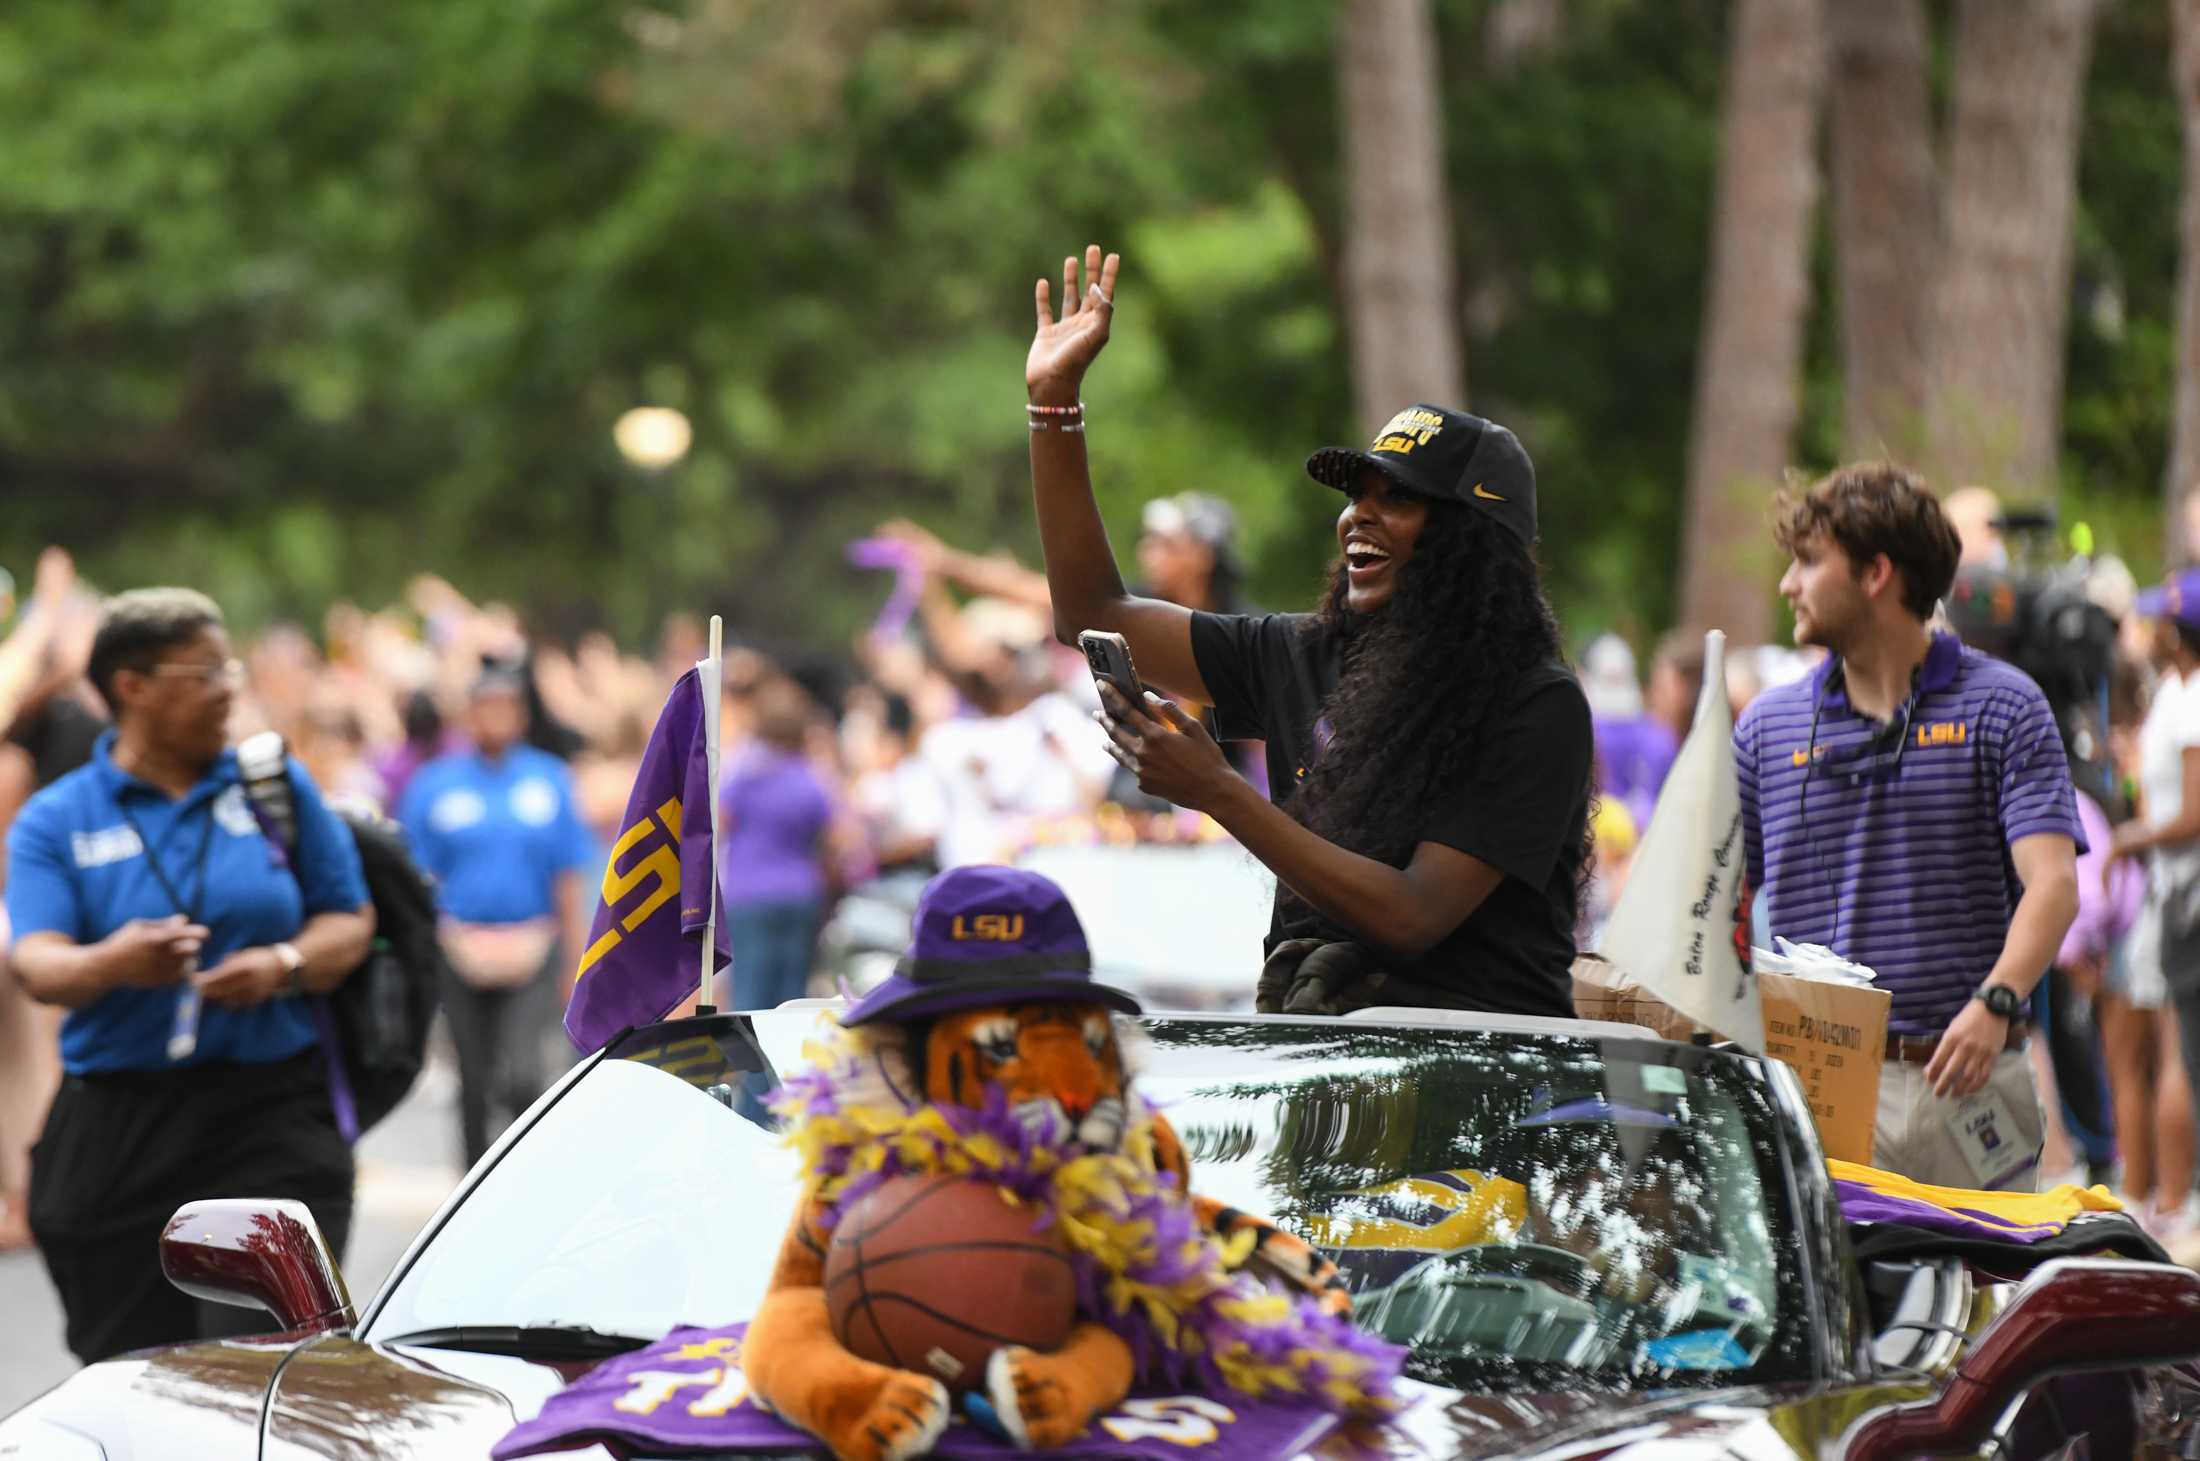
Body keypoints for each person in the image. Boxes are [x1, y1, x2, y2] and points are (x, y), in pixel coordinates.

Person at [1025, 245, 1591, 1019]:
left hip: (1478, 1086)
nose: (1357, 513)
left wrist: (1219, 792)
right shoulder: (1301, 653)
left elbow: (1413, 914)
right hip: (1320, 1073)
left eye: (1396, 498)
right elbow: (1090, 613)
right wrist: (1054, 406)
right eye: (1357, 493)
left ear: (1471, 540)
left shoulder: (1537, 705)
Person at [4, 588, 374, 1362]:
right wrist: (112, 963)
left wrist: (283, 964)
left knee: (266, 1366)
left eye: (229, 667)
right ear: (132, 685)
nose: (228, 688)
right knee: (132, 1369)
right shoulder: (58, 817)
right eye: (203, 671)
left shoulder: (270, 785)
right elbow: (37, 961)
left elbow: (349, 919)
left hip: (268, 1111)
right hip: (120, 1123)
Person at [1734, 465, 2082, 1191]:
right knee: (1836, 1307)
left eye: (1806, 562)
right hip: (1820, 1090)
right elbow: (1722, 903)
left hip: (1970, 1081)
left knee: (1986, 1308)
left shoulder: (2005, 705)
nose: (1787, 586)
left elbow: (2053, 884)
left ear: (1876, 573)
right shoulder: (1766, 728)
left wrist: (1997, 1002)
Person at [398, 667, 596, 1166]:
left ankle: (520, 1172)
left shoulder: (548, 780)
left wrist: (576, 957)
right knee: (473, 1078)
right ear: (469, 715)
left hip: (532, 945)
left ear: (522, 716)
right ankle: (470, 1183)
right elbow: (415, 872)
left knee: (525, 1072)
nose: (495, 720)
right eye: (486, 709)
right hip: (461, 947)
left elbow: (568, 875)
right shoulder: (436, 785)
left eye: (506, 709)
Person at [2106, 569, 2200, 1228]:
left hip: (2186, 892)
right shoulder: (2175, 690)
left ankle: (2171, 1201)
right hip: (2170, 890)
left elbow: (2195, 812)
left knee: (2177, 1045)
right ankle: (2158, 1196)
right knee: (2160, 1041)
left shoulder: (2193, 700)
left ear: (2176, 631)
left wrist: (2127, 836)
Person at [719, 678, 835, 1011]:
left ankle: (753, 1064)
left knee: (750, 997)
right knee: (792, 996)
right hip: (799, 891)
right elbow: (833, 834)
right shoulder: (811, 778)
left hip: (750, 893)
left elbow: (719, 821)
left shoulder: (745, 774)